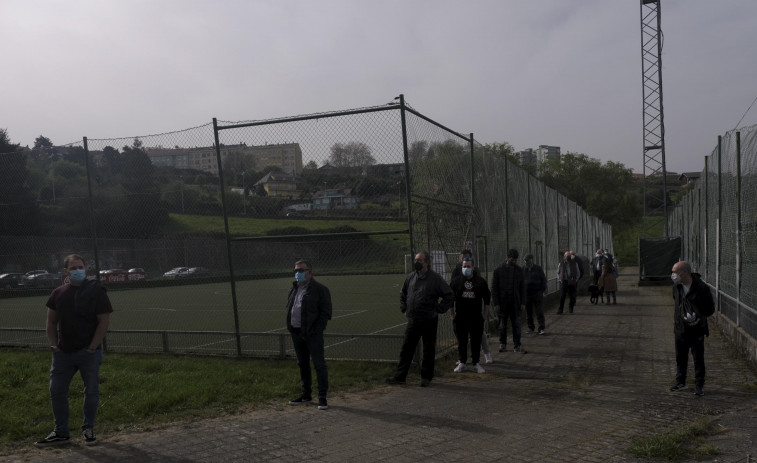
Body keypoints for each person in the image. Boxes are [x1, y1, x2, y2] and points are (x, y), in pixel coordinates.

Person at [34, 254, 113, 448]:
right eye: (73, 268)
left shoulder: (97, 290)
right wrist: (54, 345)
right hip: (63, 354)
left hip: (89, 354)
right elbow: (51, 322)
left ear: (86, 269)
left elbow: (104, 321)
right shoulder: (58, 293)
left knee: (91, 392)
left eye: (81, 267)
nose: (78, 271)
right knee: (57, 390)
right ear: (66, 272)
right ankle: (61, 433)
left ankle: (88, 429)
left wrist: (92, 348)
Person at [387, 251, 454, 387]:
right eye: (416, 259)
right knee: (407, 348)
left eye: (420, 260)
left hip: (429, 319)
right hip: (413, 319)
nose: (417, 262)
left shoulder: (435, 279)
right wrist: (404, 308)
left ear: (427, 262)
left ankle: (426, 377)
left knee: (428, 349)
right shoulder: (411, 277)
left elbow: (449, 295)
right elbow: (403, 293)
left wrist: (439, 309)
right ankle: (400, 376)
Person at [286, 260, 332, 410]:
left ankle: (322, 397)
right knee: (302, 364)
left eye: (301, 270)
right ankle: (306, 395)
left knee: (319, 365)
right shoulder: (294, 289)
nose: (297, 274)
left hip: (312, 334)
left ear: (309, 272)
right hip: (297, 333)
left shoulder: (320, 289)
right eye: (295, 271)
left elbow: (325, 313)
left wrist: (316, 329)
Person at [669, 261, 715, 396]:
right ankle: (680, 382)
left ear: (684, 273)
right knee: (680, 358)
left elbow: (710, 309)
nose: (673, 275)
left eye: (675, 272)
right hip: (680, 330)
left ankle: (699, 385)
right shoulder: (676, 287)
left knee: (698, 358)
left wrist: (697, 315)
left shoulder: (701, 287)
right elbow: (676, 303)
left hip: (696, 330)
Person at [449, 249, 493, 364]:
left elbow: (480, 289)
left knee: (479, 334)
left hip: (474, 312)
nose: (464, 260)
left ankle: (486, 353)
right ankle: (462, 358)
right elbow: (452, 290)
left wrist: (484, 312)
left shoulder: (475, 272)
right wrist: (452, 312)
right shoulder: (456, 271)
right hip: (461, 311)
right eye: (462, 257)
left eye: (466, 257)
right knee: (461, 335)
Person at [491, 249, 526, 353]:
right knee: (502, 325)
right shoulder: (498, 271)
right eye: (512, 259)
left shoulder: (519, 271)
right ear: (508, 258)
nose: (514, 262)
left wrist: (523, 302)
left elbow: (522, 288)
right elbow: (494, 288)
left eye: (515, 260)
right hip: (503, 303)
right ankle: (503, 344)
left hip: (515, 302)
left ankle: (517, 345)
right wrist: (496, 303)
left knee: (517, 324)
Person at [523, 254, 547, 335]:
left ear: (532, 260)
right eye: (525, 261)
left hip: (537, 294)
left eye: (528, 261)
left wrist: (541, 291)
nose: (526, 263)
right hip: (527, 295)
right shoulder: (523, 269)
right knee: (528, 312)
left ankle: (541, 328)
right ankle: (531, 328)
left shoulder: (538, 269)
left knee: (539, 311)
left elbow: (543, 280)